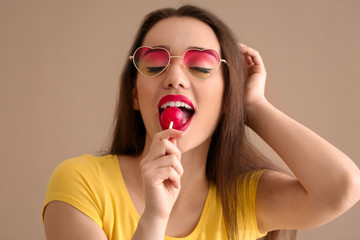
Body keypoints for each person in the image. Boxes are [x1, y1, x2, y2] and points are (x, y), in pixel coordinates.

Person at [42, 5, 360, 240]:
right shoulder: (80, 183)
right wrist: (154, 218)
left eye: (201, 64)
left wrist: (251, 105)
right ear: (135, 96)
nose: (175, 78)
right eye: (155, 62)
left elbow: (341, 188)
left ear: (226, 98)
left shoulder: (246, 198)